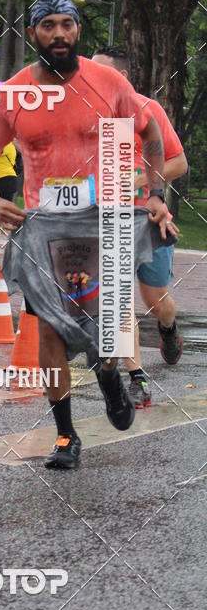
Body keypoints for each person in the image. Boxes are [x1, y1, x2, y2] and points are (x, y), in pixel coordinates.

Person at [0, 0, 175, 470]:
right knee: (48, 328)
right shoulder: (15, 93)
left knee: (107, 329)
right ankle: (66, 435)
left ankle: (109, 378)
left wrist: (155, 194)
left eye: (67, 24)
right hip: (44, 228)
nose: (59, 34)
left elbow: (150, 135)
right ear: (33, 33)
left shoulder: (109, 83)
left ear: (78, 31)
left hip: (104, 220)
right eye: (48, 26)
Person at [92, 46, 187, 406]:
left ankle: (168, 328)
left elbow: (178, 163)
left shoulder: (149, 110)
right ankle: (137, 378)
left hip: (149, 219)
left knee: (157, 301)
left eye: (99, 74)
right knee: (119, 298)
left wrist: (137, 181)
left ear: (121, 78)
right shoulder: (89, 116)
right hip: (110, 219)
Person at [0, 142, 18, 234]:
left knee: (3, 209)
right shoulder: (9, 145)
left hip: (5, 179)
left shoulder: (6, 144)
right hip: (4, 179)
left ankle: (5, 234)